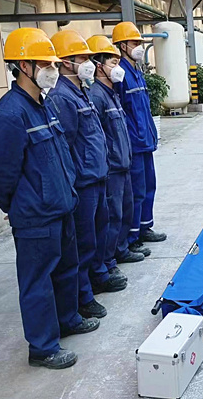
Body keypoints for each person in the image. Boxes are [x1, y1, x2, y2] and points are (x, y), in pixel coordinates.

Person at [0, 28, 99, 369]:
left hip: (61, 207)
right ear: (24, 66)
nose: (53, 69)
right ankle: (43, 347)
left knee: (65, 271)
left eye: (53, 63)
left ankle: (67, 319)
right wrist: (17, 205)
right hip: (36, 216)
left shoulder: (44, 104)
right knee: (37, 282)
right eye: (45, 64)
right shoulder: (10, 114)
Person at [48, 30, 127, 319]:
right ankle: (83, 296)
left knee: (97, 234)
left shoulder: (81, 91)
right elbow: (66, 146)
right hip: (83, 182)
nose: (89, 64)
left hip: (97, 176)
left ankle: (97, 276)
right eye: (82, 58)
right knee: (82, 242)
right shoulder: (62, 97)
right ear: (65, 62)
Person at [87, 35, 145, 268]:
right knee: (111, 216)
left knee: (124, 211)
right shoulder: (96, 96)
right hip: (111, 167)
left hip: (123, 163)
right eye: (113, 63)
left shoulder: (111, 93)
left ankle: (120, 250)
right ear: (99, 66)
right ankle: (108, 261)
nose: (118, 68)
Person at [112, 22, 167, 256]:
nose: (138, 47)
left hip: (145, 140)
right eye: (134, 43)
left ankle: (145, 227)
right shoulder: (120, 74)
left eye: (139, 43)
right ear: (122, 46)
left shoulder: (137, 71)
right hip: (134, 143)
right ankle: (132, 237)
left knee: (148, 186)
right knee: (135, 191)